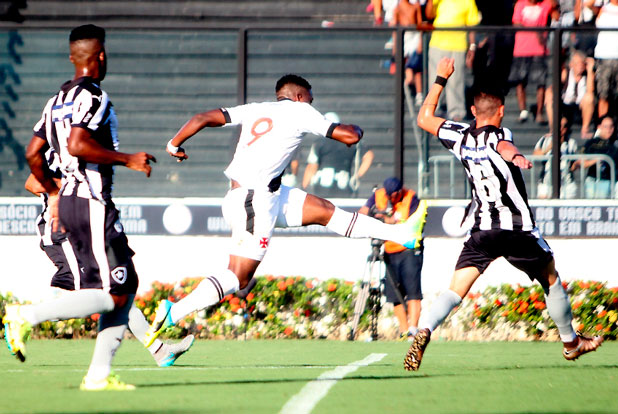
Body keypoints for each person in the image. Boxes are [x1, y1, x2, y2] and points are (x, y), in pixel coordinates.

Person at [143, 74, 427, 347]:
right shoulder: (301, 111)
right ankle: (174, 312)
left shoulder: (256, 109)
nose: (312, 105)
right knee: (239, 277)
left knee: (325, 210)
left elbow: (202, 118)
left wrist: (173, 144)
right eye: (311, 100)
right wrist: (360, 129)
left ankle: (401, 234)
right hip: (255, 201)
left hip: (261, 194)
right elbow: (349, 137)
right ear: (300, 97)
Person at [404, 57, 603, 372]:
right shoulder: (500, 133)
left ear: (472, 112)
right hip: (516, 230)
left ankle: (425, 328)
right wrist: (519, 156)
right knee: (551, 279)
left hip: (482, 231)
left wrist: (441, 78)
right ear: (500, 112)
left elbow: (425, 117)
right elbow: (504, 147)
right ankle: (571, 342)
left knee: (455, 290)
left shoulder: (460, 136)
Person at [3, 24, 156, 391]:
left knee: (121, 287)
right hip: (90, 201)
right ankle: (26, 315)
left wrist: (54, 192)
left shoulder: (55, 101)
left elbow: (31, 152)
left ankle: (99, 376)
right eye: (104, 53)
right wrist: (127, 159)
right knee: (117, 290)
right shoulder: (95, 96)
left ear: (73, 57)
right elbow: (77, 144)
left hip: (70, 200)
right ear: (99, 57)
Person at [23, 152, 194, 368]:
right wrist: (67, 191)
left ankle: (160, 351)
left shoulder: (79, 143)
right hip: (64, 231)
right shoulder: (63, 145)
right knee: (100, 294)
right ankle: (24, 317)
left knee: (119, 290)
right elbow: (32, 182)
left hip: (92, 226)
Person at [359, 177, 428, 340]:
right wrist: (367, 219)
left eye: (393, 195)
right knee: (394, 294)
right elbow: (364, 211)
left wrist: (386, 221)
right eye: (388, 195)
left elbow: (409, 224)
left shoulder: (411, 198)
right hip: (389, 250)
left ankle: (413, 329)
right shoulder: (378, 195)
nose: (390, 199)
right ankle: (404, 331)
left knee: (413, 292)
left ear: (399, 192)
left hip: (409, 249)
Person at [425, 0, 480, 121]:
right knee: (435, 79)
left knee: (456, 81)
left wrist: (472, 47)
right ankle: (433, 110)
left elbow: (472, 25)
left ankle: (456, 113)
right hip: (437, 44)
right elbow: (429, 15)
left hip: (458, 45)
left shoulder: (468, 2)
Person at [302, 112, 375, 198]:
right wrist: (357, 176)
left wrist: (304, 187)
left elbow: (312, 166)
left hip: (322, 187)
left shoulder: (319, 143)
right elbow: (369, 156)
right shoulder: (350, 141)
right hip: (344, 186)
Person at [509, 0, 554, 124]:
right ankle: (523, 111)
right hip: (521, 49)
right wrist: (534, 29)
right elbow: (516, 23)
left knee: (541, 82)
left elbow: (555, 8)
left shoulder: (545, 4)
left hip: (539, 50)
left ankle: (539, 113)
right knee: (520, 81)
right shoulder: (520, 4)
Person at [544, 51, 596, 139]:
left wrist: (590, 70)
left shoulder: (587, 75)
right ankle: (553, 130)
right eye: (577, 63)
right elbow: (554, 87)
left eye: (582, 63)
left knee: (589, 97)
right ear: (571, 64)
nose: (580, 66)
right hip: (565, 106)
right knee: (549, 96)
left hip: (580, 107)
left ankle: (585, 129)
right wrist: (550, 92)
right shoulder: (566, 73)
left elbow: (590, 90)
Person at [571, 116, 618, 198]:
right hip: (592, 179)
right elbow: (580, 163)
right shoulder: (591, 143)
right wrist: (596, 160)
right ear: (599, 127)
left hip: (609, 180)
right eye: (606, 127)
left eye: (611, 126)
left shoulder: (617, 144)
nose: (609, 129)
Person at [533, 116, 579, 198]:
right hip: (546, 182)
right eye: (559, 125)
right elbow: (535, 155)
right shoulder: (545, 140)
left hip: (566, 184)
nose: (561, 129)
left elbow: (575, 163)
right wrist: (549, 148)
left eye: (564, 126)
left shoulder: (571, 143)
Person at [390, 0, 424, 106]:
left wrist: (420, 43)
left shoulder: (415, 7)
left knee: (416, 68)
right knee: (407, 67)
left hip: (414, 37)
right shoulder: (397, 9)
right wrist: (395, 47)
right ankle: (404, 90)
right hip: (404, 37)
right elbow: (395, 29)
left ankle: (418, 93)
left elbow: (420, 25)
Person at [593, 0, 618, 119]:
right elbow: (588, 6)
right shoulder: (601, 9)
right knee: (603, 94)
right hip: (605, 56)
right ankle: (601, 127)